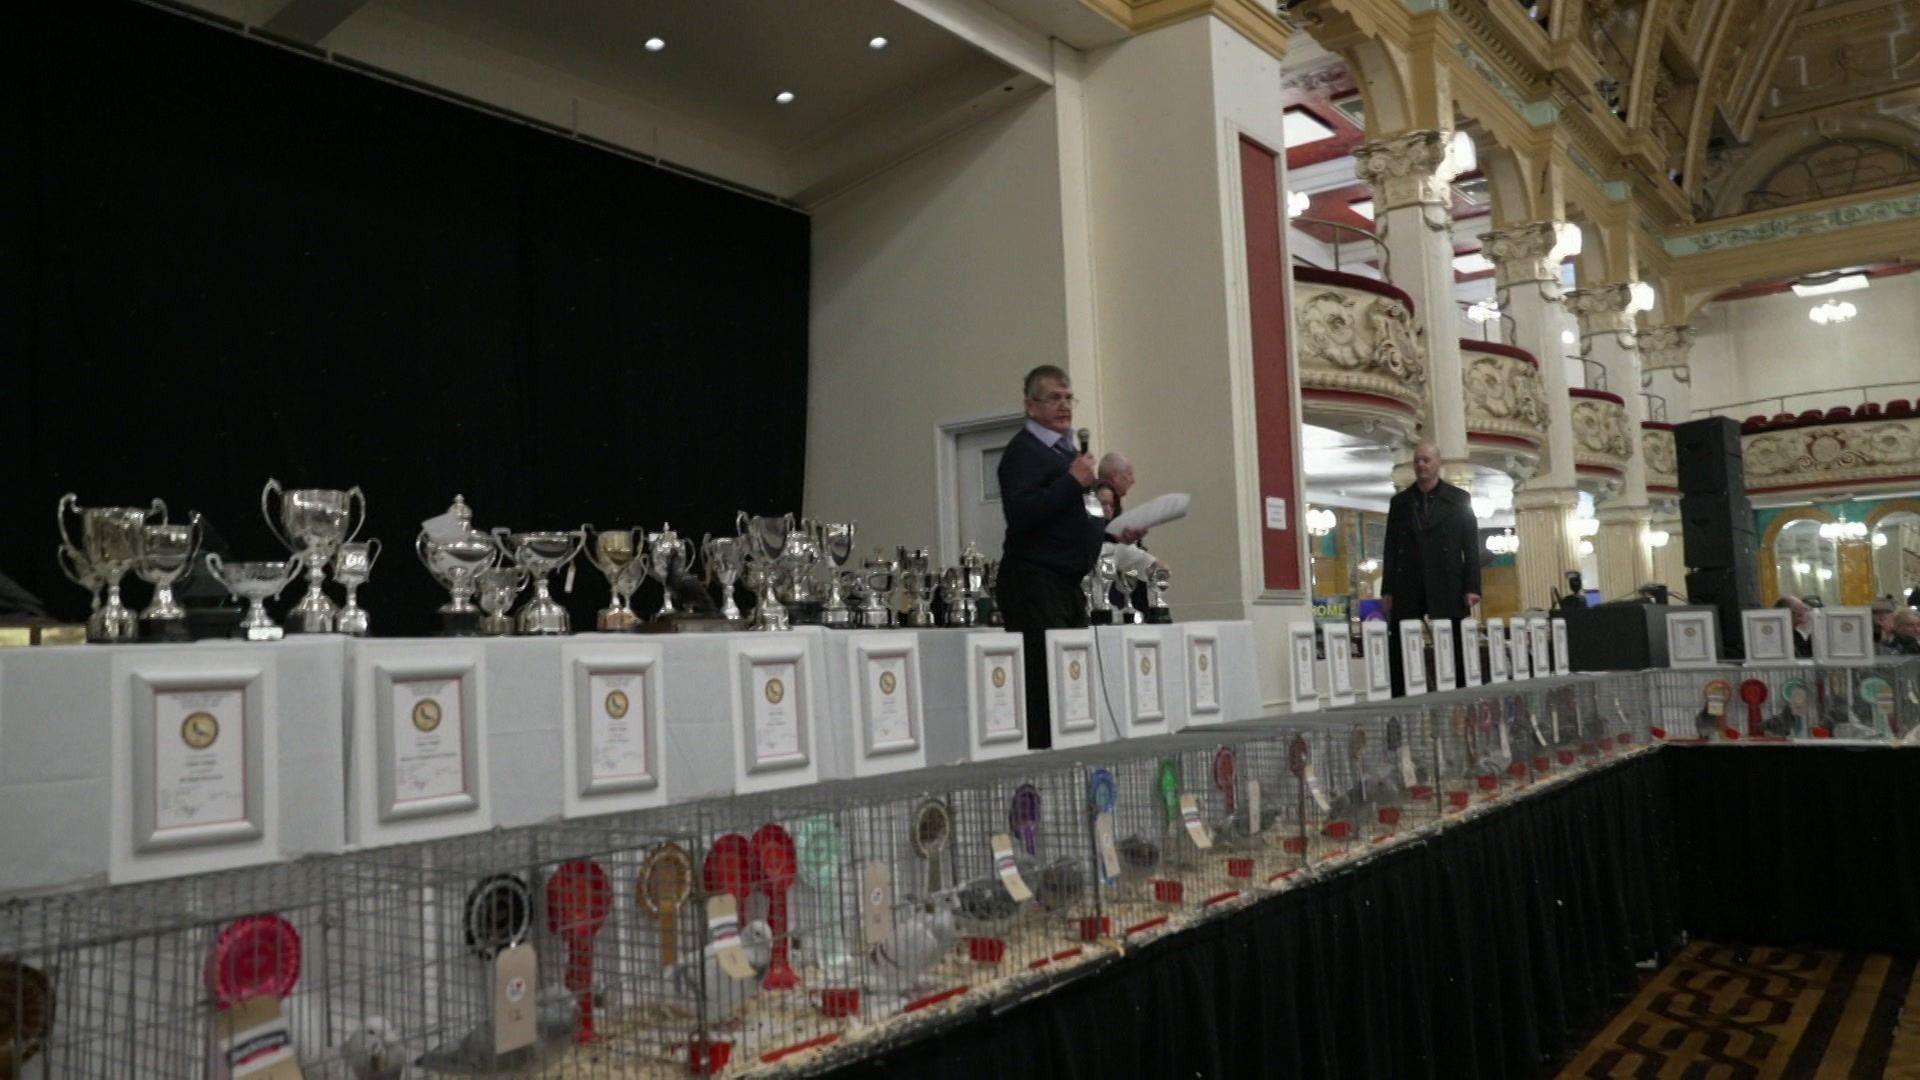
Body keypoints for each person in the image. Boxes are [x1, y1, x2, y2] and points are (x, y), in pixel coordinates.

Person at [996, 365, 1145, 748]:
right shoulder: (1022, 453)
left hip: (1067, 583)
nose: (1064, 406)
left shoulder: (1068, 453)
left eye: (1068, 397)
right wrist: (1071, 481)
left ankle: (1073, 755)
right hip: (1034, 582)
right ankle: (1044, 765)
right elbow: (1022, 513)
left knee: (1072, 678)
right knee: (1045, 684)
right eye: (1053, 398)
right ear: (1030, 406)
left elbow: (1083, 511)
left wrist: (1112, 529)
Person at [1380, 443, 1480, 695]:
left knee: (1453, 642)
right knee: (1401, 640)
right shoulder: (1401, 502)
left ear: (1438, 464)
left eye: (1426, 460)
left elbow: (1470, 546)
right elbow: (1390, 547)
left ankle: (1459, 692)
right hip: (1409, 580)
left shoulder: (1459, 500)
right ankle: (1401, 694)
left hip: (1447, 579)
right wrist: (1387, 590)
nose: (1421, 465)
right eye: (1417, 461)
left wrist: (1472, 587)